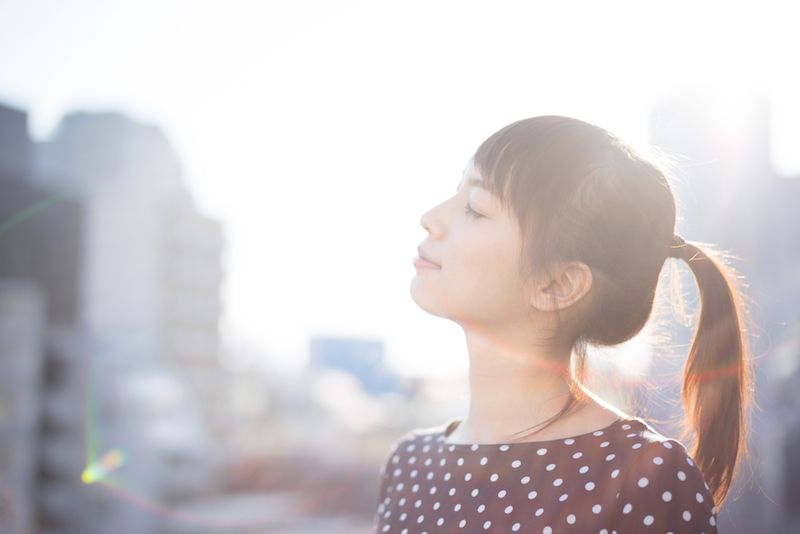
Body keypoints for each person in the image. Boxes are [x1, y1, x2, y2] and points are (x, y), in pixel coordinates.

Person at [372, 115, 753, 533]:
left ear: (557, 284)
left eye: (476, 209)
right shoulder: (409, 464)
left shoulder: (642, 477)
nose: (430, 216)